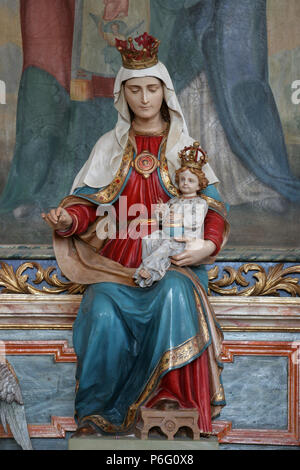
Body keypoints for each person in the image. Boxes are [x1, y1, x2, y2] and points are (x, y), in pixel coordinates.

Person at [42, 33, 229, 438]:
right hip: (114, 267)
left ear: (165, 92)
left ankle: (171, 401)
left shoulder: (185, 147)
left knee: (177, 295)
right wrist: (66, 221)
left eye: (151, 89)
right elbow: (86, 202)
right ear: (121, 95)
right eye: (134, 90)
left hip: (169, 264)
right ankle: (98, 412)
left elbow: (213, 210)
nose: (144, 98)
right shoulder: (110, 146)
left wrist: (207, 245)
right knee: (101, 312)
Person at [134, 143, 209, 288]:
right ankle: (153, 266)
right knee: (149, 239)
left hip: (185, 239)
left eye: (191, 180)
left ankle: (150, 271)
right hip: (168, 233)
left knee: (166, 246)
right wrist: (162, 213)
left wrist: (174, 215)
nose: (185, 183)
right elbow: (163, 220)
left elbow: (192, 222)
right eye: (182, 179)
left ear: (199, 185)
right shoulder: (174, 200)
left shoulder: (200, 203)